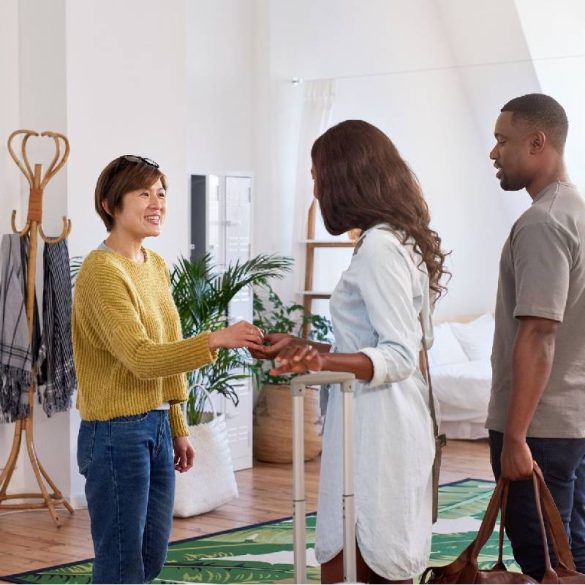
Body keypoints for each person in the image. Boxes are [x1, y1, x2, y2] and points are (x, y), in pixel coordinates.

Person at [252, 120, 449, 583]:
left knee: (363, 558)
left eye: (318, 176)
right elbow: (373, 346)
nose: (316, 189)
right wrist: (306, 347)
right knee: (362, 552)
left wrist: (320, 361)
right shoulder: (394, 239)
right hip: (381, 421)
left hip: (380, 430)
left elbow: (399, 355)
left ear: (345, 177)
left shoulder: (380, 247)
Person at [72, 155, 264, 584]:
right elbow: (141, 357)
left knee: (150, 558)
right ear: (110, 204)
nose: (157, 202)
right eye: (144, 193)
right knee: (121, 567)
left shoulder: (154, 265)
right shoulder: (101, 273)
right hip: (115, 433)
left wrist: (176, 424)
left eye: (161, 193)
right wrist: (215, 339)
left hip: (156, 427)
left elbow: (168, 345)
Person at [486, 93, 585, 580]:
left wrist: (515, 437)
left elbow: (540, 333)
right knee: (574, 557)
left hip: (541, 428)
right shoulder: (576, 211)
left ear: (537, 142)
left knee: (543, 563)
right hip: (572, 421)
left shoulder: (544, 223)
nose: (494, 153)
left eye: (502, 140)